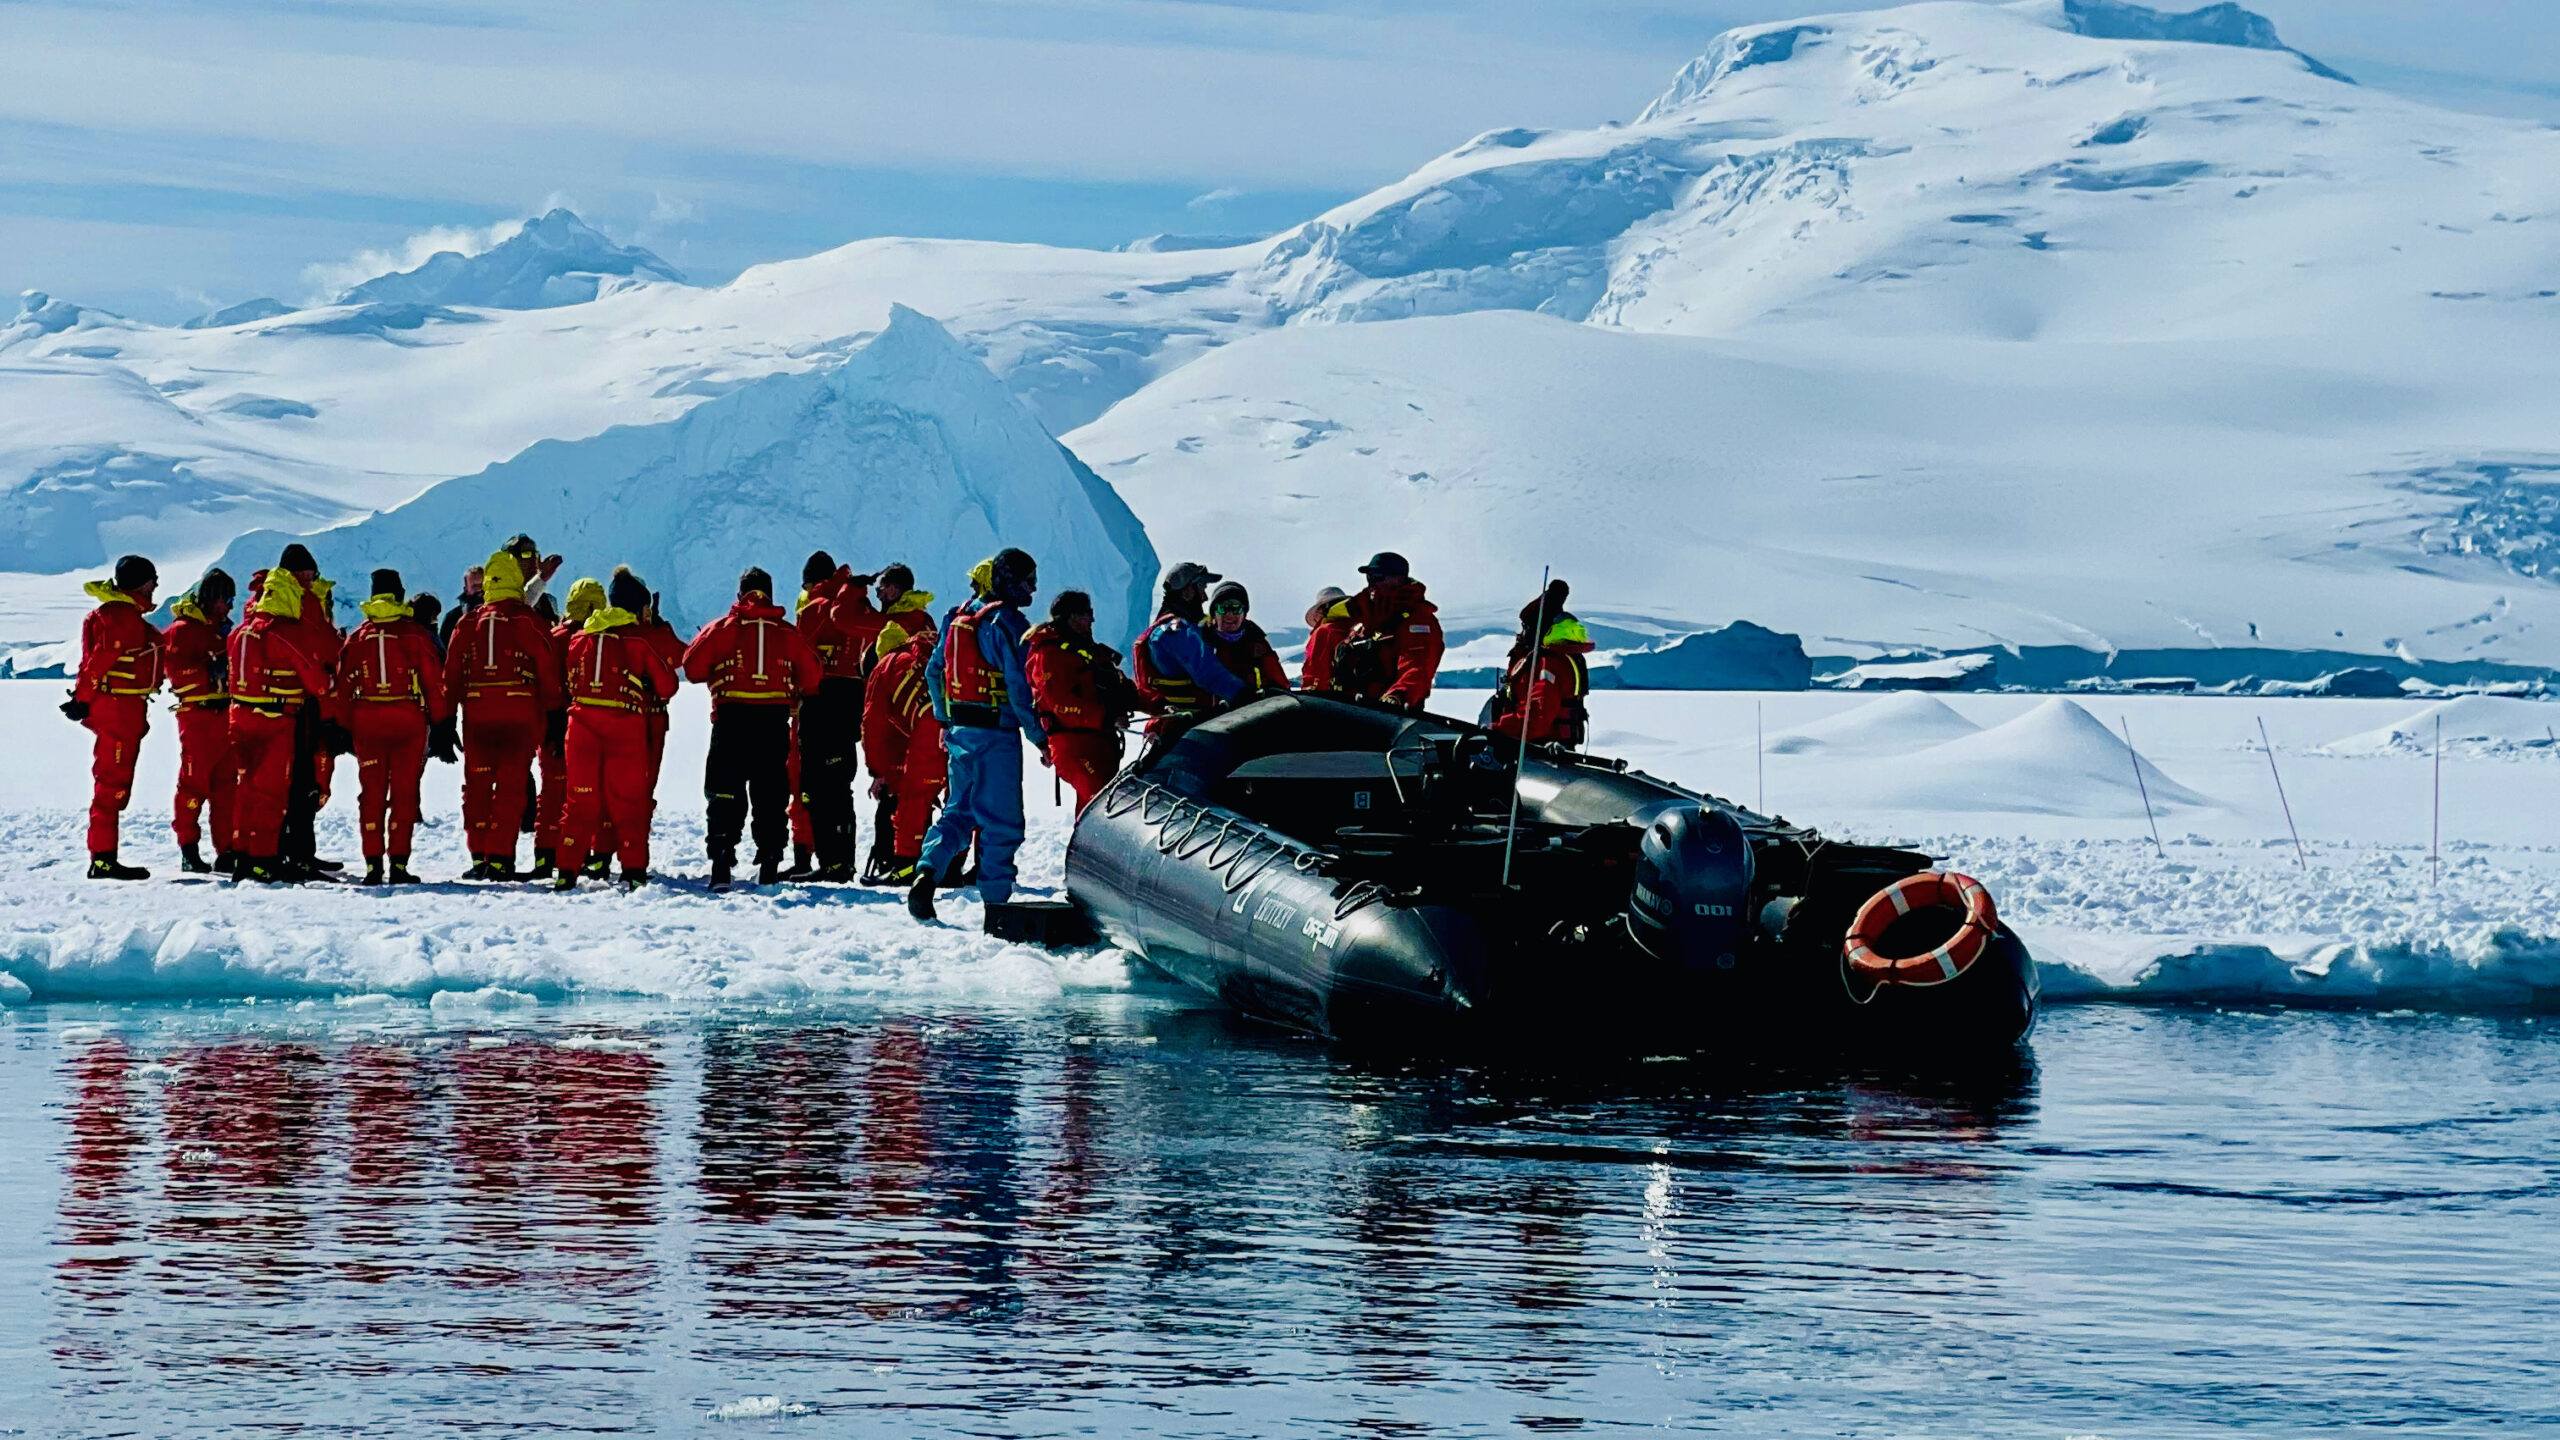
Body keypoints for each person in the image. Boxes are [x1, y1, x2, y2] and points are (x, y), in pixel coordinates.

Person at [909, 548, 1043, 926]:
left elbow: (935, 673)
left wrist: (945, 720)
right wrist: (1040, 738)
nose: (1032, 588)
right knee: (1001, 821)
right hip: (996, 736)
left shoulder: (956, 619)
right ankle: (996, 909)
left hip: (961, 732)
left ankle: (927, 872)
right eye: (1027, 580)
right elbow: (1019, 689)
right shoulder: (1008, 624)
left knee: (959, 811)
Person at [682, 566, 821, 889]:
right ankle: (770, 861)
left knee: (723, 790)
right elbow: (812, 675)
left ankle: (721, 859)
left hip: (731, 720)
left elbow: (691, 667)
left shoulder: (723, 628)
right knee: (770, 794)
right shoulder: (787, 633)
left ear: (739, 594)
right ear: (770, 594)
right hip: (772, 723)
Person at [441, 549, 563, 880]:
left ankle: (479, 854)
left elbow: (450, 675)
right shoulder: (527, 620)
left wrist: (445, 718)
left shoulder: (467, 623)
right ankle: (499, 857)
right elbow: (548, 670)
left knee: (477, 785)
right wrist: (553, 716)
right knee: (510, 788)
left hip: (477, 715)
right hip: (519, 714)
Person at [556, 569, 679, 891]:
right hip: (625, 726)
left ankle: (567, 869)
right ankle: (633, 869)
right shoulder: (637, 640)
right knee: (628, 801)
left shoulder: (581, 638)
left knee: (579, 801)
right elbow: (667, 685)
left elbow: (570, 677)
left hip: (580, 724)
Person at [335, 569, 450, 884]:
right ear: (399, 595)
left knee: (371, 793)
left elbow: (343, 686)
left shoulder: (358, 636)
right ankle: (398, 864)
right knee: (404, 793)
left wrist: (342, 727)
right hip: (407, 720)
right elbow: (433, 681)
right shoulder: (414, 635)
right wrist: (441, 721)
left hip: (367, 721)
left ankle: (373, 864)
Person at [227, 569, 335, 883]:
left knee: (244, 789)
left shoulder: (240, 632)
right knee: (270, 793)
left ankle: (242, 857)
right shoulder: (285, 633)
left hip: (239, 716)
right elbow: (316, 681)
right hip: (275, 721)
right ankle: (263, 858)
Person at [66, 555, 163, 879]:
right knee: (111, 784)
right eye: (152, 580)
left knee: (113, 782)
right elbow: (99, 661)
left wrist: (84, 699)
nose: (156, 586)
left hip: (123, 708)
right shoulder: (120, 617)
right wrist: (82, 699)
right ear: (139, 583)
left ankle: (104, 856)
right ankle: (103, 860)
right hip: (118, 709)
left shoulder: (120, 614)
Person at [793, 552, 885, 881]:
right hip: (853, 699)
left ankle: (830, 862)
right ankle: (842, 860)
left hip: (821, 700)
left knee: (817, 786)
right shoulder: (857, 607)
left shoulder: (816, 608)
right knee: (840, 784)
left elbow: (800, 650)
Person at [1024, 589, 1153, 814]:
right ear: (1072, 617)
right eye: (1087, 613)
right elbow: (1061, 704)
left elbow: (1123, 690)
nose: (1092, 619)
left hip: (1100, 743)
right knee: (1100, 806)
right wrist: (1108, 717)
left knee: (1096, 807)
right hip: (1073, 745)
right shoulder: (1050, 655)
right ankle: (1090, 847)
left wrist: (1162, 706)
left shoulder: (1088, 652)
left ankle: (1086, 847)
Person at [273, 543, 345, 873]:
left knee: (285, 779)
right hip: (305, 699)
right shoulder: (303, 600)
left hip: (276, 701)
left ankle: (283, 849)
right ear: (301, 573)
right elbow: (321, 646)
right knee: (303, 778)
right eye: (311, 573)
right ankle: (298, 853)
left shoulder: (264, 601)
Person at [861, 564, 935, 876]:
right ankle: (943, 862)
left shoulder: (885, 667)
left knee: (907, 795)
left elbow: (872, 724)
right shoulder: (925, 640)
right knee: (942, 796)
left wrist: (878, 772)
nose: (878, 593)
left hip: (922, 730)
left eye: (882, 586)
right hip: (954, 724)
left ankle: (901, 863)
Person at [530, 577, 605, 880]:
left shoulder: (552, 637)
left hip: (551, 722)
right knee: (585, 793)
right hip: (586, 723)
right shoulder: (599, 638)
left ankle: (545, 854)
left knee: (551, 792)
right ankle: (580, 852)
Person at [163, 568, 237, 874]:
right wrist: (209, 671)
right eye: (227, 599)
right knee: (193, 783)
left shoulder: (223, 630)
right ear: (213, 598)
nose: (231, 606)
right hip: (198, 715)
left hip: (225, 715)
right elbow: (174, 670)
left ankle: (227, 849)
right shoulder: (183, 631)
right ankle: (188, 847)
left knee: (226, 787)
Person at [1132, 561, 1247, 735]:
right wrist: (1248, 695)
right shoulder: (1175, 632)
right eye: (1201, 587)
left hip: (1177, 726)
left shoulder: (1168, 629)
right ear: (1187, 591)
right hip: (1183, 728)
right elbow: (1209, 675)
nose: (1205, 597)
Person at [1489, 579, 1595, 748]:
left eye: (1525, 628)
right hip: (1555, 748)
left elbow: (1539, 714)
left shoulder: (1548, 663)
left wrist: (1499, 729)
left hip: (1539, 749)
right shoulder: (1563, 658)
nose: (1521, 634)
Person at [1334, 552, 1445, 710]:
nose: (1371, 582)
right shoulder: (1363, 620)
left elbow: (1417, 665)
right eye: (1369, 577)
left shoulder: (1417, 620)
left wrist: (1398, 695)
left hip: (1389, 718)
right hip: (1350, 711)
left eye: (1377, 576)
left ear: (1398, 579)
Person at [1200, 581, 1290, 696]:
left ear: (1244, 613)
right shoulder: (1199, 639)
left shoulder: (1256, 642)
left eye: (1236, 608)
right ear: (1214, 612)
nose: (1229, 614)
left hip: (1248, 709)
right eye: (1223, 608)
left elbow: (1279, 684)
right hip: (1207, 711)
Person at [1299, 586, 1351, 691]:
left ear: (1321, 611)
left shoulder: (1323, 632)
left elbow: (1314, 668)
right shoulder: (1359, 628)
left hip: (1330, 697)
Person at [439, 565, 483, 651]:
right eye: (474, 586)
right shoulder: (453, 618)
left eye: (481, 585)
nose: (479, 589)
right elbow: (444, 651)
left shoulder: (497, 613)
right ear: (466, 589)